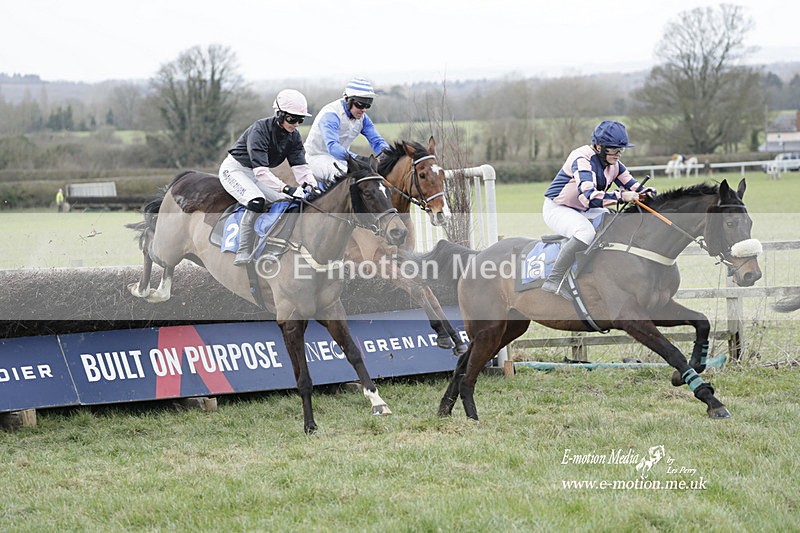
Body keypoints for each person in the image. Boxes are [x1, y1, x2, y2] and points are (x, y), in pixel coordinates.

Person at [541, 120, 655, 297]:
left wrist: (647, 193)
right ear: (599, 147)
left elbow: (633, 186)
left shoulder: (615, 164)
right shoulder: (581, 158)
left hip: (582, 208)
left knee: (614, 221)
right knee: (585, 232)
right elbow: (589, 198)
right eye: (614, 149)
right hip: (558, 208)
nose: (618, 154)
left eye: (621, 149)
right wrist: (620, 196)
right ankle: (554, 280)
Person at [219, 89, 318, 266]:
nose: (296, 124)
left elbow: (301, 167)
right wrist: (287, 187)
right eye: (292, 119)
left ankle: (275, 244)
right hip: (235, 170)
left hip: (257, 175)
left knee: (290, 202)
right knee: (256, 201)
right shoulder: (260, 130)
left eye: (300, 120)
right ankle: (244, 249)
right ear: (279, 114)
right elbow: (261, 172)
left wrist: (311, 186)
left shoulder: (294, 136)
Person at [304, 76, 390, 183]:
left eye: (368, 105)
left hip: (341, 159)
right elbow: (333, 147)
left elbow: (377, 141)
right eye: (360, 104)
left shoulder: (363, 118)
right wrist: (360, 159)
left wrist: (391, 155)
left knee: (370, 176)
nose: (363, 109)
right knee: (349, 178)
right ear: (348, 100)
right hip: (316, 158)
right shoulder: (331, 115)